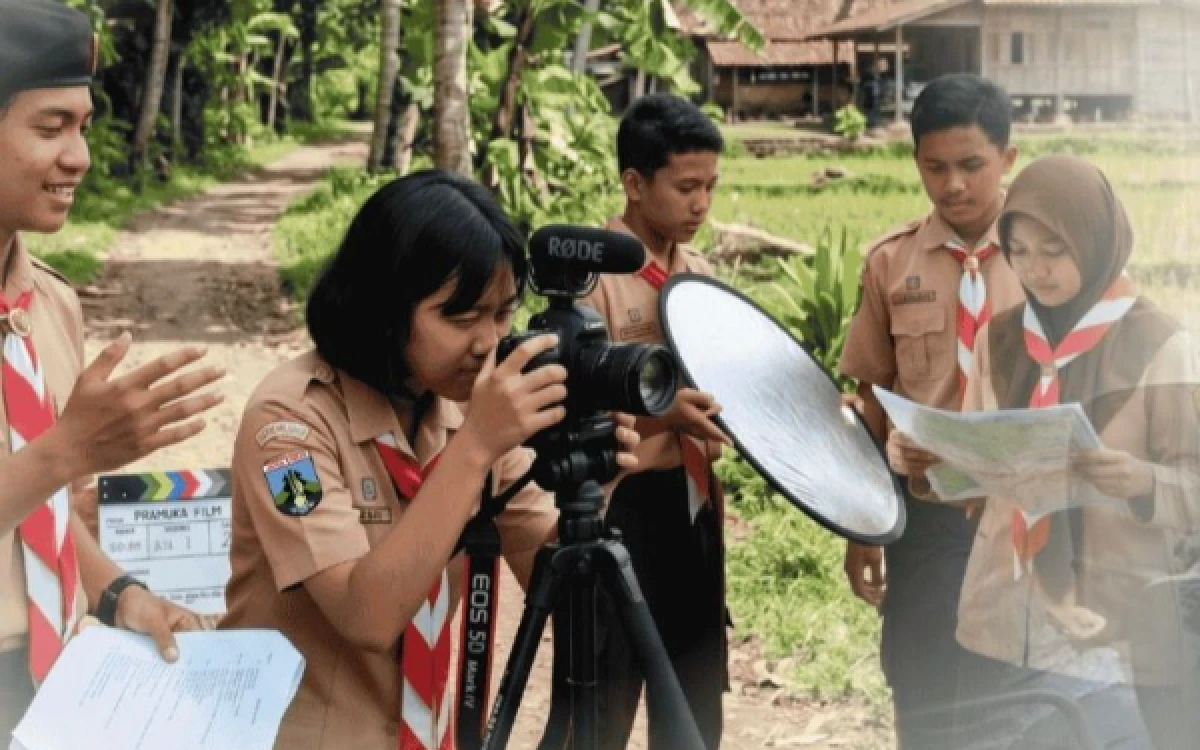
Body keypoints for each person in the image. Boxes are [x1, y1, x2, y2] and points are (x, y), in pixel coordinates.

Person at [219, 169, 640, 749]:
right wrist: (474, 449)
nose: (488, 342)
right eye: (460, 318)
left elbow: (550, 577)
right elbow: (364, 615)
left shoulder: (465, 411)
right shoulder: (289, 424)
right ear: (384, 311)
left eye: (502, 314)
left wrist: (594, 484)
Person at [890, 155, 1200, 749]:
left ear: (1095, 237)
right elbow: (984, 462)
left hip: (1112, 630)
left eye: (1054, 250)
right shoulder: (1002, 339)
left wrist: (1141, 481)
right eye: (1021, 251)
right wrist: (928, 461)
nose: (1036, 271)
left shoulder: (1162, 344)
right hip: (1000, 619)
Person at [0, 0, 225, 735]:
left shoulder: (51, 307)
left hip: (57, 678)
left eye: (85, 127)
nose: (81, 157)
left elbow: (45, 514)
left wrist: (122, 595)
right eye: (49, 127)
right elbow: (50, 470)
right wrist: (69, 449)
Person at [836, 73, 1025, 748]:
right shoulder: (890, 263)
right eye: (935, 167)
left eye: (972, 165)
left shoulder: (1049, 260)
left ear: (1008, 158)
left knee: (1014, 698)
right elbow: (871, 401)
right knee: (922, 693)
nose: (953, 186)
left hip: (1022, 523)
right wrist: (864, 524)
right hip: (927, 524)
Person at [579, 92, 732, 750]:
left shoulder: (698, 276)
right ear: (634, 184)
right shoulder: (592, 283)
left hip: (694, 508)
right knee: (606, 695)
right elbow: (571, 418)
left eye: (711, 188)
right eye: (686, 186)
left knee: (695, 698)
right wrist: (661, 416)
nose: (701, 204)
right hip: (622, 509)